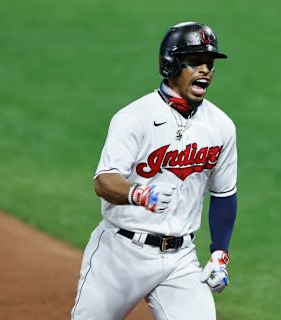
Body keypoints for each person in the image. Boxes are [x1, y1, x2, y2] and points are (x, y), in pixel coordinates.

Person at [71, 21, 238, 320]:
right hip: (120, 253)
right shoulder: (134, 117)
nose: (206, 71)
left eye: (210, 64)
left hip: (179, 259)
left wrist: (219, 254)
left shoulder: (221, 126)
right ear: (170, 65)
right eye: (195, 62)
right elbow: (103, 181)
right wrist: (139, 194)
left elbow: (224, 194)